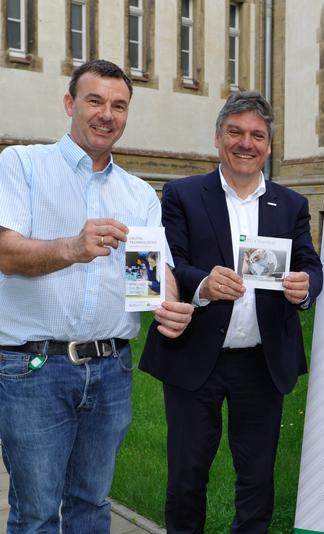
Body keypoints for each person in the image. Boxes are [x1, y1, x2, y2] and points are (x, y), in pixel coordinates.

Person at [0, 59, 193, 534]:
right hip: (34, 369)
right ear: (70, 104)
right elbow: (5, 251)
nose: (107, 113)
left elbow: (156, 270)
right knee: (37, 512)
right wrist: (73, 247)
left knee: (92, 504)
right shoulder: (22, 164)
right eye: (95, 101)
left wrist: (170, 306)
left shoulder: (140, 193)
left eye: (119, 105)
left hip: (111, 370)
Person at [139, 90, 323, 533]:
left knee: (257, 481)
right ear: (218, 137)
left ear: (270, 145)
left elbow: (310, 266)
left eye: (257, 135)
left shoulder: (292, 204)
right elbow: (171, 259)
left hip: (261, 362)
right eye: (235, 132)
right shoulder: (183, 194)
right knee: (186, 478)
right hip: (195, 356)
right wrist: (202, 283)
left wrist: (306, 287)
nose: (246, 143)